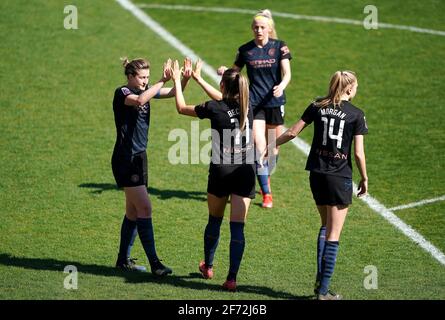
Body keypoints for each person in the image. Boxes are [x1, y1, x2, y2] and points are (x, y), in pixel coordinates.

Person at [263, 71, 368, 300]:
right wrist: (365, 178)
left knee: (324, 226)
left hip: (317, 174)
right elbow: (358, 153)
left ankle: (320, 282)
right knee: (334, 234)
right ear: (349, 89)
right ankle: (323, 291)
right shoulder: (356, 115)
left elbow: (291, 132)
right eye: (356, 87)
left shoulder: (317, 105)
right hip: (339, 177)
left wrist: (269, 146)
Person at [170, 59, 255, 291]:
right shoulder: (249, 104)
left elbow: (181, 107)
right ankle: (231, 279)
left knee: (214, 221)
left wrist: (179, 80)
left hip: (221, 171)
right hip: (245, 170)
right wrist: (198, 79)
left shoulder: (214, 108)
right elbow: (225, 99)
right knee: (237, 228)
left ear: (223, 86)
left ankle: (208, 266)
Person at [112, 57, 191, 275]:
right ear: (130, 76)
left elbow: (174, 94)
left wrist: (180, 80)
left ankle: (122, 261)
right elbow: (139, 101)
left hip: (139, 157)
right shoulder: (123, 93)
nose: (146, 81)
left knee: (133, 212)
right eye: (142, 77)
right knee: (145, 208)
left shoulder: (145, 90)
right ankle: (155, 264)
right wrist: (161, 79)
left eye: (148, 77)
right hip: (126, 159)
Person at [218, 9, 292, 208]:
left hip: (276, 104)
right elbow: (234, 72)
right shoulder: (245, 50)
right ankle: (267, 194)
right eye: (256, 27)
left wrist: (281, 86)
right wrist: (225, 71)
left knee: (273, 149)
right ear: (252, 29)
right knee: (259, 148)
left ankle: (265, 174)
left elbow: (287, 73)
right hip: (255, 104)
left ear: (269, 29)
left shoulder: (280, 47)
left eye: (262, 27)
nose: (259, 30)